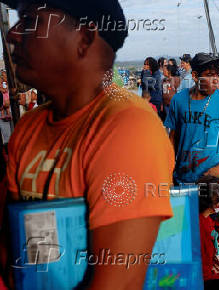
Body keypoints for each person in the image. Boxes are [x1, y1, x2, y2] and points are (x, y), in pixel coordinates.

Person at [3, 1, 174, 289]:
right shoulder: (29, 128)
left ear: (83, 39)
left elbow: (118, 282)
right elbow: (12, 242)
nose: (14, 34)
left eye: (30, 20)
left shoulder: (127, 126)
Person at [164, 53, 219, 185]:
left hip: (213, 182)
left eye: (217, 75)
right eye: (209, 75)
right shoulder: (178, 100)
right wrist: (169, 171)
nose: (216, 80)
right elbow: (173, 138)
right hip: (183, 179)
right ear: (195, 76)